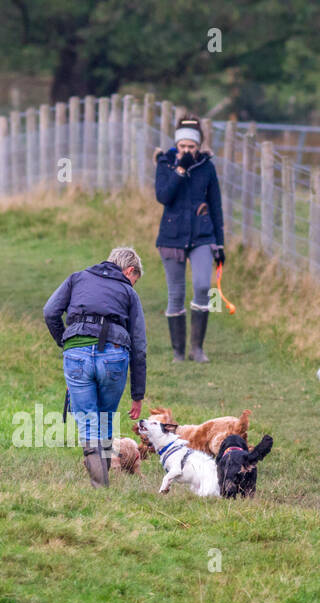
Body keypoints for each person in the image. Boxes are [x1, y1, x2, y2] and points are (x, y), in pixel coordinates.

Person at [43, 247, 147, 488]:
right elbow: (139, 346)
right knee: (105, 417)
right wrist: (137, 394)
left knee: (89, 421)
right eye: (134, 281)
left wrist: (67, 341)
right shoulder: (128, 293)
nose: (133, 285)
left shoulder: (77, 278)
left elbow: (50, 312)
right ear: (129, 270)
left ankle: (99, 485)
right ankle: (102, 484)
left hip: (77, 353)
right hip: (114, 356)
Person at [153, 115, 224, 363]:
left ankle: (197, 348)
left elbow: (216, 206)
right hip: (171, 237)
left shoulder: (207, 168)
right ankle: (177, 352)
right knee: (175, 294)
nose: (186, 150)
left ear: (198, 147)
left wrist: (220, 243)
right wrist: (180, 171)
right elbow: (163, 196)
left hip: (202, 236)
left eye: (191, 147)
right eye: (182, 146)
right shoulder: (165, 165)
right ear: (177, 145)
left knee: (204, 286)